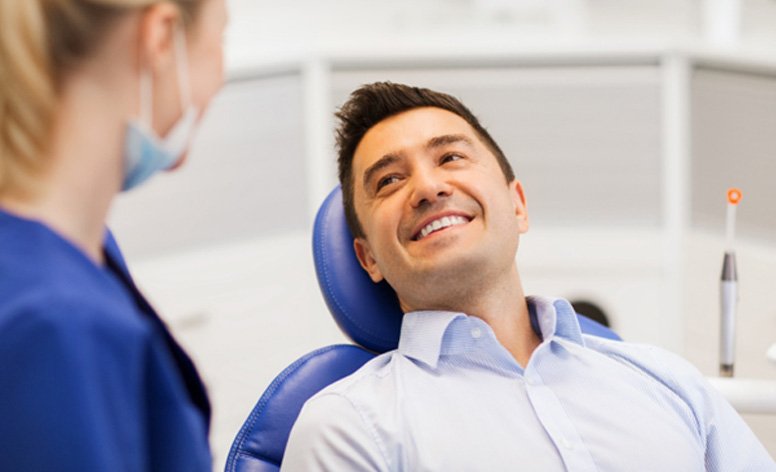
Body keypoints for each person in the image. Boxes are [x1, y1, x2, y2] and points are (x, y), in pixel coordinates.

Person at [281, 82, 775, 471]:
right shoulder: (347, 427)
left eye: (450, 157)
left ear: (517, 204)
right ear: (368, 258)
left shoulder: (665, 380)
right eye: (389, 180)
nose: (428, 187)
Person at [0, 0, 227, 469]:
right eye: (221, 36)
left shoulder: (81, 258)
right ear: (161, 39)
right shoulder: (54, 323)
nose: (220, 76)